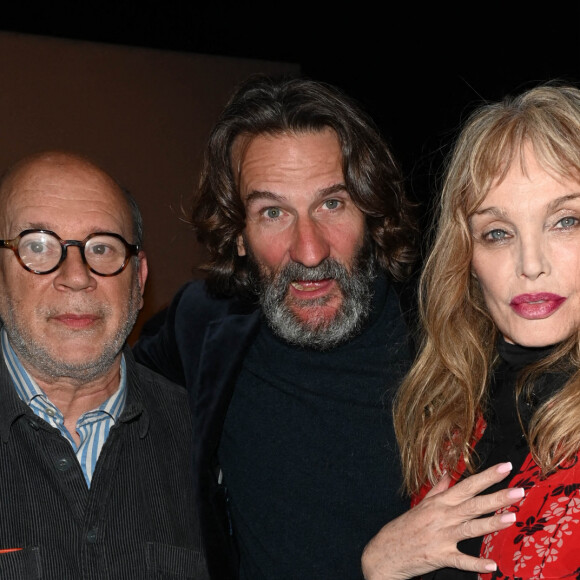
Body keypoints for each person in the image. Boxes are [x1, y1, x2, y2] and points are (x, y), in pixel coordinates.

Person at [133, 73, 420, 580]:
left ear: (371, 213)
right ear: (237, 234)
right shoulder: (202, 329)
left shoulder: (446, 345)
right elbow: (87, 390)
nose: (309, 250)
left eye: (332, 204)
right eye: (272, 213)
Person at [362, 81, 580, 579]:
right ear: (467, 259)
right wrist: (380, 566)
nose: (531, 264)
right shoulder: (447, 422)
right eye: (498, 233)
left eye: (565, 221)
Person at [0, 150, 210, 579]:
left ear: (139, 278)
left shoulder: (207, 443)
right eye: (37, 246)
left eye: (102, 248)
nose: (77, 276)